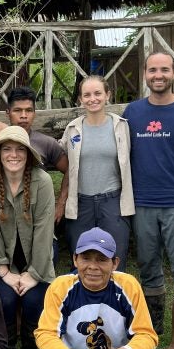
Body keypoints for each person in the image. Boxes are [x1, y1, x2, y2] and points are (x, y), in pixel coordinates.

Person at [122, 51, 174, 349]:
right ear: (145, 74)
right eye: (153, 70)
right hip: (141, 203)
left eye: (165, 70)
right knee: (148, 267)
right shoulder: (132, 112)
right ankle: (153, 329)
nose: (159, 75)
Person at [32, 227, 163, 349]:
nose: (93, 267)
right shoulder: (60, 286)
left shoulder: (128, 285)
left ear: (115, 263)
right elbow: (45, 335)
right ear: (75, 260)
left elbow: (146, 335)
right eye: (86, 258)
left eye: (102, 260)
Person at [0, 126, 56, 349]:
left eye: (19, 149)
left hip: (38, 259)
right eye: (7, 149)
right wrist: (3, 271)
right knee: (5, 299)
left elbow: (45, 230)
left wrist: (34, 273)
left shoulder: (42, 181)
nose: (13, 155)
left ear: (28, 154)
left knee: (35, 299)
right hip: (4, 260)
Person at [60, 75, 134, 270]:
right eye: (87, 95)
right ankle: (81, 298)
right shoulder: (73, 128)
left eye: (98, 93)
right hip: (81, 201)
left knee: (115, 257)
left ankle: (116, 297)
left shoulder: (121, 126)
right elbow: (62, 159)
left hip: (112, 201)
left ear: (107, 95)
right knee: (81, 256)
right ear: (80, 99)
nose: (93, 99)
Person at [5, 86, 68, 222]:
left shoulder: (46, 143)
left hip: (39, 217)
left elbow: (70, 170)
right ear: (8, 113)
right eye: (17, 110)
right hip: (6, 218)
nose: (23, 115)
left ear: (34, 113)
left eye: (28, 110)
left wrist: (61, 203)